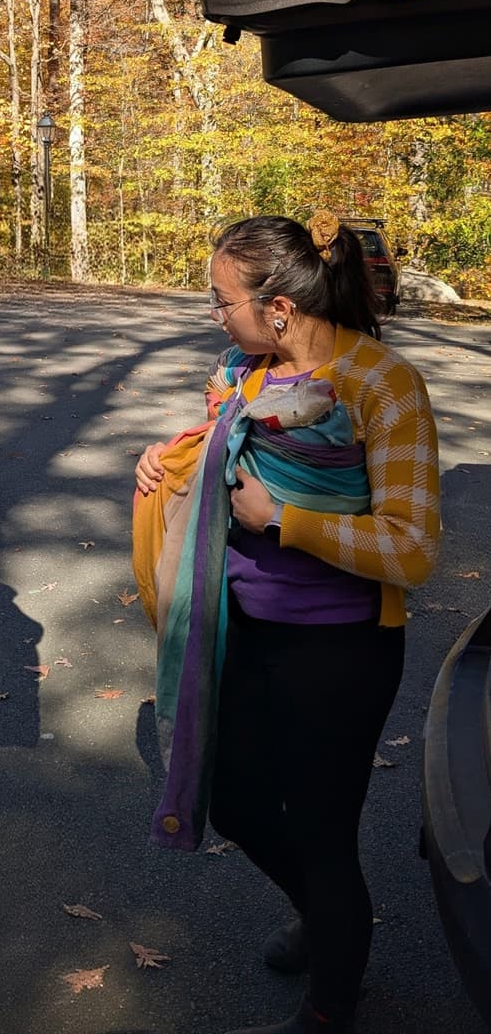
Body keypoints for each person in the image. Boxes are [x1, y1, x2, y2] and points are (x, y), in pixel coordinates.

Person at [133, 211, 441, 1034]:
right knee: (229, 797)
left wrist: (284, 518)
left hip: (340, 650)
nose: (213, 313)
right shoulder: (242, 368)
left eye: (220, 297)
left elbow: (412, 550)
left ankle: (330, 1004)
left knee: (319, 825)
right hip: (243, 628)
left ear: (277, 306)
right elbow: (221, 448)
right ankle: (327, 912)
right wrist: (172, 456)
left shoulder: (382, 384)